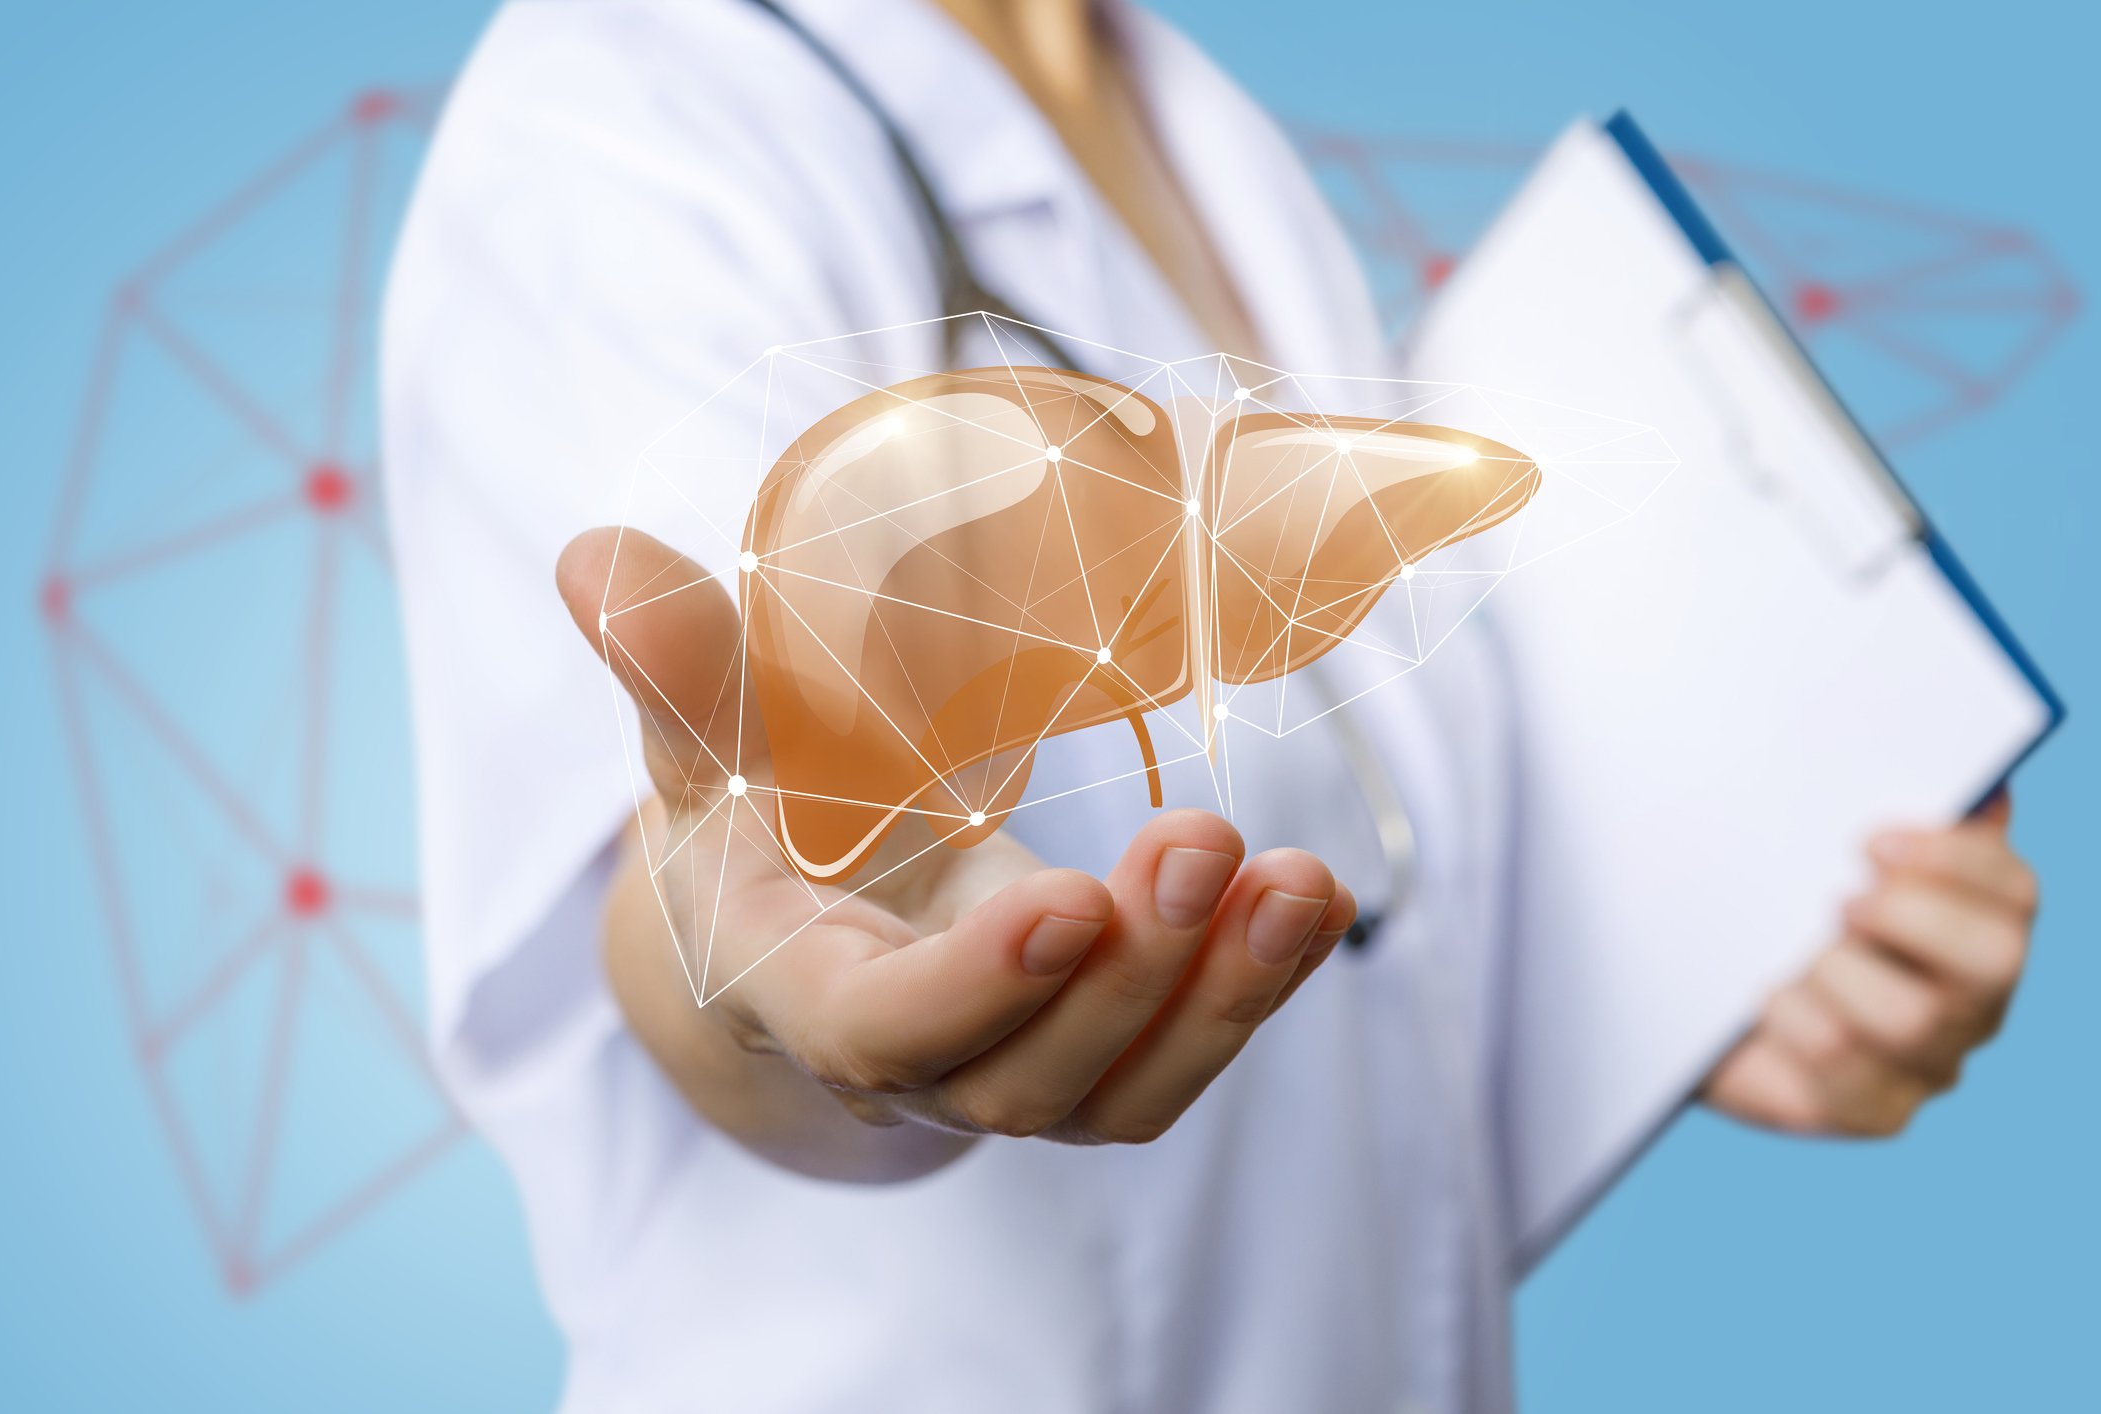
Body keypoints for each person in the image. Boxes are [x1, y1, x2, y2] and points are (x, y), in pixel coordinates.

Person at [382, 1, 2043, 1409]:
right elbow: (703, 881)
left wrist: (1712, 970)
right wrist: (797, 945)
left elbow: (1364, 861)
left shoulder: (1199, 127)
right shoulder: (632, 121)